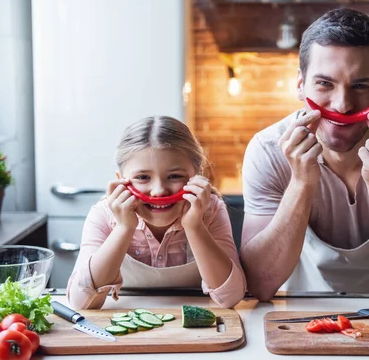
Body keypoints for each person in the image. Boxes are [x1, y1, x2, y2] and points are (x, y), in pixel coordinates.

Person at [239, 8, 369, 305]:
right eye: (325, 84)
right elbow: (259, 285)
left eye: (360, 86)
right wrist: (301, 183)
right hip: (299, 315)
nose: (342, 105)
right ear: (300, 85)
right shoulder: (268, 150)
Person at [67, 116, 246, 309]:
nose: (159, 190)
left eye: (174, 176)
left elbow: (231, 298)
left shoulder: (211, 211)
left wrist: (194, 226)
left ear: (196, 176)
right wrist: (124, 228)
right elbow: (81, 303)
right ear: (121, 180)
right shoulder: (103, 214)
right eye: (143, 177)